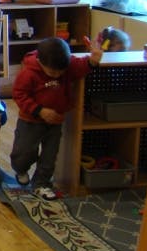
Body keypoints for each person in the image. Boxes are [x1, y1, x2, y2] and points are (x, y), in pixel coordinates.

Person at [10, 37, 103, 200]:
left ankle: (42, 183)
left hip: (55, 122)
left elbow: (81, 66)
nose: (58, 75)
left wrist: (93, 60)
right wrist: (39, 110)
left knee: (50, 155)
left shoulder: (66, 65)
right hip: (30, 121)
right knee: (23, 152)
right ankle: (20, 168)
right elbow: (19, 95)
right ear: (40, 62)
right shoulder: (28, 73)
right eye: (53, 72)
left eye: (61, 71)